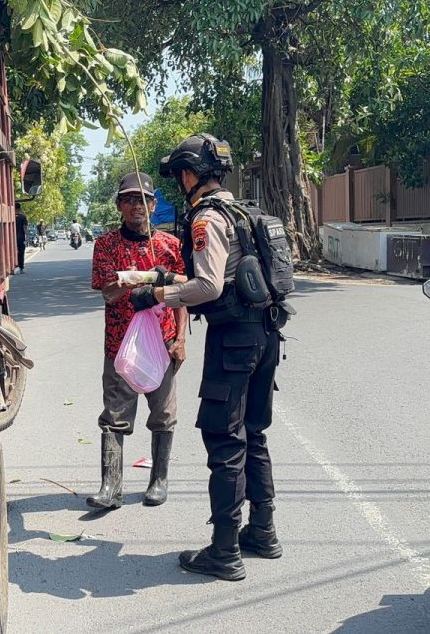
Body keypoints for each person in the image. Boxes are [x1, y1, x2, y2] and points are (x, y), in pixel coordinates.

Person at [130, 134, 284, 581]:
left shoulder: (207, 218)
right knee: (253, 433)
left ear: (191, 174)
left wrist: (156, 293)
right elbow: (226, 273)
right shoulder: (243, 211)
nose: (180, 181)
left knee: (225, 440)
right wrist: (174, 276)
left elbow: (211, 287)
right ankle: (263, 531)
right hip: (267, 334)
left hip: (233, 341)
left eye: (181, 173)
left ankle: (224, 551)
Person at [88, 173, 187, 509]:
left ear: (154, 205)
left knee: (163, 413)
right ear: (119, 205)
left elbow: (183, 292)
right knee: (115, 415)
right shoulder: (106, 245)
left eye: (143, 199)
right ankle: (110, 488)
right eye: (129, 199)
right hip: (120, 344)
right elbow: (107, 292)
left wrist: (181, 340)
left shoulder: (169, 246)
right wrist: (140, 279)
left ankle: (159, 479)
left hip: (163, 341)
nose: (136, 206)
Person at [14, 203, 28, 273]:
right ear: (20, 209)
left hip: (12, 238)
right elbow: (25, 227)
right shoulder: (23, 217)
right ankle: (21, 268)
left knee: (12, 252)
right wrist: (26, 237)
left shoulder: (11, 217)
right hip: (21, 238)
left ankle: (12, 267)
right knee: (21, 252)